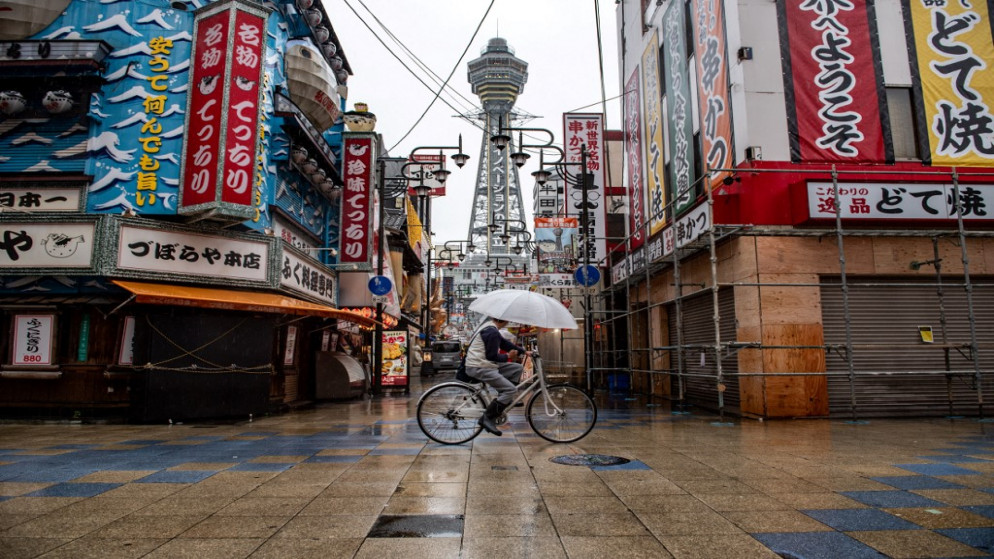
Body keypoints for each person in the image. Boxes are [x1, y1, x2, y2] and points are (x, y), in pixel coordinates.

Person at [464, 316, 530, 436]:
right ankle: (487, 418)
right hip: (480, 367)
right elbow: (491, 356)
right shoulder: (492, 331)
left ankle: (505, 399)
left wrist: (524, 352)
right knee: (510, 389)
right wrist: (508, 356)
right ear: (505, 320)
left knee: (517, 368)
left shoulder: (492, 328)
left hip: (486, 364)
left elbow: (505, 344)